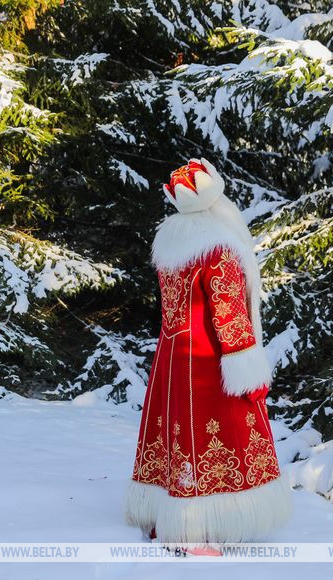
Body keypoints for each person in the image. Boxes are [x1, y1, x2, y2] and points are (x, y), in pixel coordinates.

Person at [122, 158, 292, 548]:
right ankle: (191, 529)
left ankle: (162, 518)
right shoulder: (220, 249)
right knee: (209, 439)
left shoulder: (170, 246)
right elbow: (229, 316)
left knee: (174, 436)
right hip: (207, 361)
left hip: (171, 355)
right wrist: (249, 372)